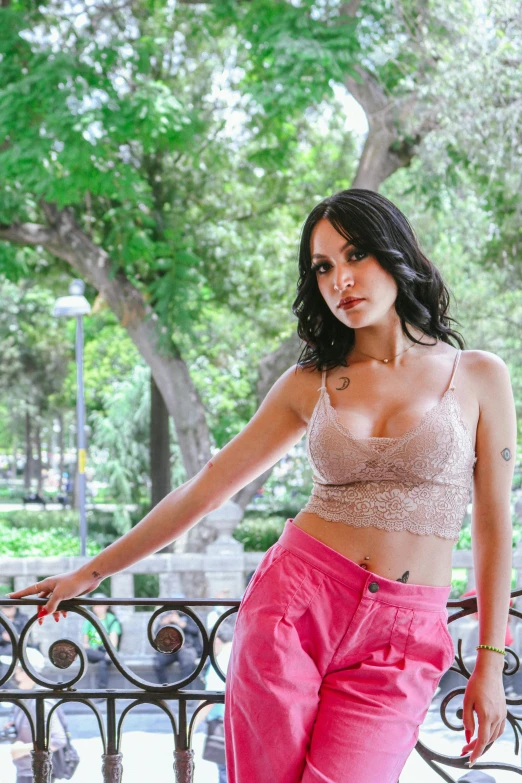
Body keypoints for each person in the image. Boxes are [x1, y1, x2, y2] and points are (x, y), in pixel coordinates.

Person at [7, 189, 515, 782]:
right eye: (323, 267)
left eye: (355, 257)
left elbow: (492, 522)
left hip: (400, 640)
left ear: (395, 254)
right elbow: (206, 489)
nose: (340, 280)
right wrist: (90, 572)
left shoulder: (478, 375)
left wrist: (489, 662)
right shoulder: (310, 382)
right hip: (292, 607)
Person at [1, 647, 67, 783]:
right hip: (26, 771)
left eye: (17, 670)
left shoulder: (42, 701)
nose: (13, 674)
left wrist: (21, 749)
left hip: (37, 773)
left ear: (28, 672)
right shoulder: (25, 696)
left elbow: (58, 739)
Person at [194, 623, 234, 783]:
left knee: (225, 770)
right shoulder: (238, 653)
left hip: (222, 724)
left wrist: (192, 725)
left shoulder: (221, 660)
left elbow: (210, 697)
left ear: (216, 640)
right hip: (241, 720)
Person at [152, 608, 203, 688]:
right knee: (158, 661)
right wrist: (162, 624)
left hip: (187, 648)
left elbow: (196, 630)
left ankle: (187, 693)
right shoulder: (166, 616)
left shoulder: (190, 616)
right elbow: (155, 636)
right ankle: (164, 688)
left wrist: (180, 622)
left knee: (187, 662)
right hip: (171, 649)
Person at [81, 592, 122, 691]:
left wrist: (108, 653)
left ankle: (102, 690)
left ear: (106, 606)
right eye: (95, 605)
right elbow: (85, 643)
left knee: (103, 664)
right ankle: (105, 658)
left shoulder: (112, 620)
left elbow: (113, 642)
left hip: (107, 650)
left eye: (100, 605)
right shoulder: (88, 620)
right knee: (85, 652)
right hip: (94, 652)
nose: (98, 608)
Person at [0, 605, 28, 687]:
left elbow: (27, 636)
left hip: (19, 648)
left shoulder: (23, 618)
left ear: (15, 606)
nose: (7, 610)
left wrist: (17, 637)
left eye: (9, 607)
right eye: (5, 607)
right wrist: (3, 637)